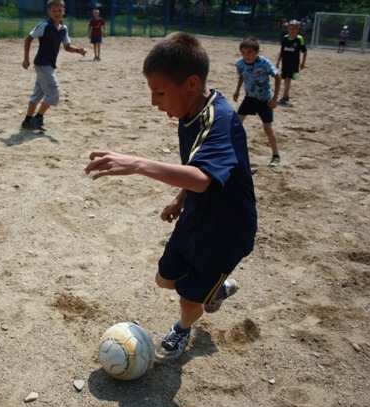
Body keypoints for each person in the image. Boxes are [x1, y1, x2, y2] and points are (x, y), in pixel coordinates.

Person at [84, 32, 257, 362]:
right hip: (196, 214)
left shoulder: (218, 119)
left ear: (191, 83)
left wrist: (136, 163)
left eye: (160, 92)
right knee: (166, 279)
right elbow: (197, 166)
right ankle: (216, 290)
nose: (154, 101)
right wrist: (180, 198)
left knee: (189, 299)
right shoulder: (190, 112)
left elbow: (204, 179)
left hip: (226, 230)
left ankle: (182, 328)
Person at [20, 0, 87, 132]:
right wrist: (26, 59)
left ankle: (27, 121)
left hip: (49, 65)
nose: (57, 13)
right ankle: (38, 117)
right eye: (54, 11)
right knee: (54, 93)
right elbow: (28, 39)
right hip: (42, 63)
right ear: (48, 12)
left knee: (37, 95)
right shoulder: (44, 25)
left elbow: (67, 47)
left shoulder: (63, 28)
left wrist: (78, 50)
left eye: (59, 10)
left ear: (64, 11)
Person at [234, 36, 282, 167]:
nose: (246, 55)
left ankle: (276, 155)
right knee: (236, 124)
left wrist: (274, 99)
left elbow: (278, 78)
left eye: (249, 52)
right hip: (249, 97)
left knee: (267, 128)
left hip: (264, 99)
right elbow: (241, 75)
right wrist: (238, 90)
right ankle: (232, 153)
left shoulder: (264, 63)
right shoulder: (240, 63)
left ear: (257, 52)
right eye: (243, 52)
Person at [276, 19, 307, 106]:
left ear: (297, 30)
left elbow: (304, 51)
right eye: (290, 28)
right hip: (285, 63)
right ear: (288, 29)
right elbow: (282, 51)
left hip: (293, 64)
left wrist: (303, 63)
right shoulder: (285, 38)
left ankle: (285, 97)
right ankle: (286, 95)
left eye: (294, 28)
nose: (292, 30)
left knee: (288, 79)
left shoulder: (299, 39)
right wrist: (278, 62)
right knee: (285, 80)